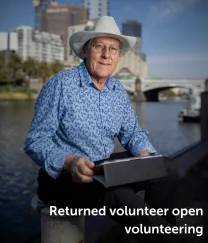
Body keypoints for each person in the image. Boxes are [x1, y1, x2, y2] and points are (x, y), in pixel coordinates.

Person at [24, 16, 183, 243]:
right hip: (63, 177)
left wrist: (145, 160)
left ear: (118, 55)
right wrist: (70, 162)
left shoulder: (118, 91)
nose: (107, 55)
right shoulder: (61, 84)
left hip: (103, 170)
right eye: (100, 47)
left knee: (165, 167)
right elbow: (35, 142)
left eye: (113, 49)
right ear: (87, 50)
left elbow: (133, 133)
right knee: (116, 193)